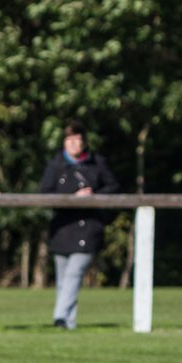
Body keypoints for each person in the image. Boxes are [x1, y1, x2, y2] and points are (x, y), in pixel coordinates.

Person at [38, 120, 120, 329]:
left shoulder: (97, 163)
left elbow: (113, 187)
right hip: (62, 229)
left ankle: (58, 316)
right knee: (63, 279)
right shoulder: (56, 165)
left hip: (88, 228)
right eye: (70, 140)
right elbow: (44, 194)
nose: (74, 144)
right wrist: (70, 197)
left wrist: (94, 196)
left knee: (74, 274)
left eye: (78, 140)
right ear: (64, 143)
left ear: (84, 143)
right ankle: (68, 322)